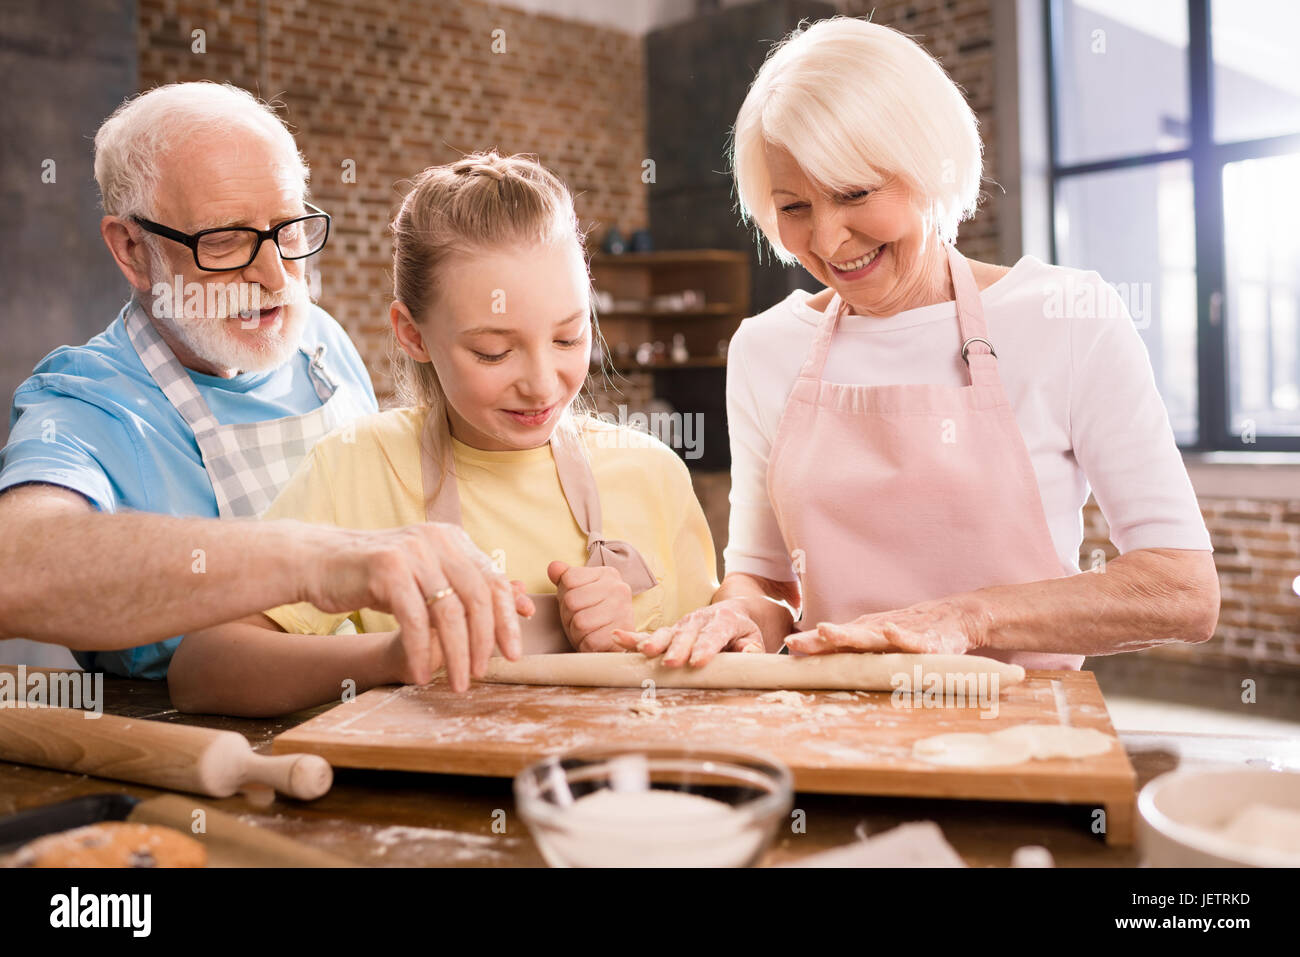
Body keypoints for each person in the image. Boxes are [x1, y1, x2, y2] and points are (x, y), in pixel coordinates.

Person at [618, 17, 1220, 669]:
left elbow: (1180, 590)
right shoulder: (765, 348)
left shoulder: (1066, 318)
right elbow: (764, 579)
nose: (827, 240)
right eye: (794, 207)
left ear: (931, 166)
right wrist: (736, 614)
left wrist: (967, 617)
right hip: (828, 729)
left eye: (854, 193)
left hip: (1018, 740)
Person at [0, 83, 526, 680]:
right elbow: (14, 568)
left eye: (290, 228)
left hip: (382, 710)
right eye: (224, 239)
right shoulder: (84, 401)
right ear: (132, 250)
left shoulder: (319, 341)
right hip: (196, 745)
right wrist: (321, 562)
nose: (274, 275)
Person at [167, 151, 721, 716]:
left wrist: (633, 652)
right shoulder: (357, 465)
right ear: (414, 335)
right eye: (493, 351)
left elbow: (718, 686)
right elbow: (204, 669)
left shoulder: (651, 473)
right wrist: (394, 655)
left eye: (568, 338)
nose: (540, 385)